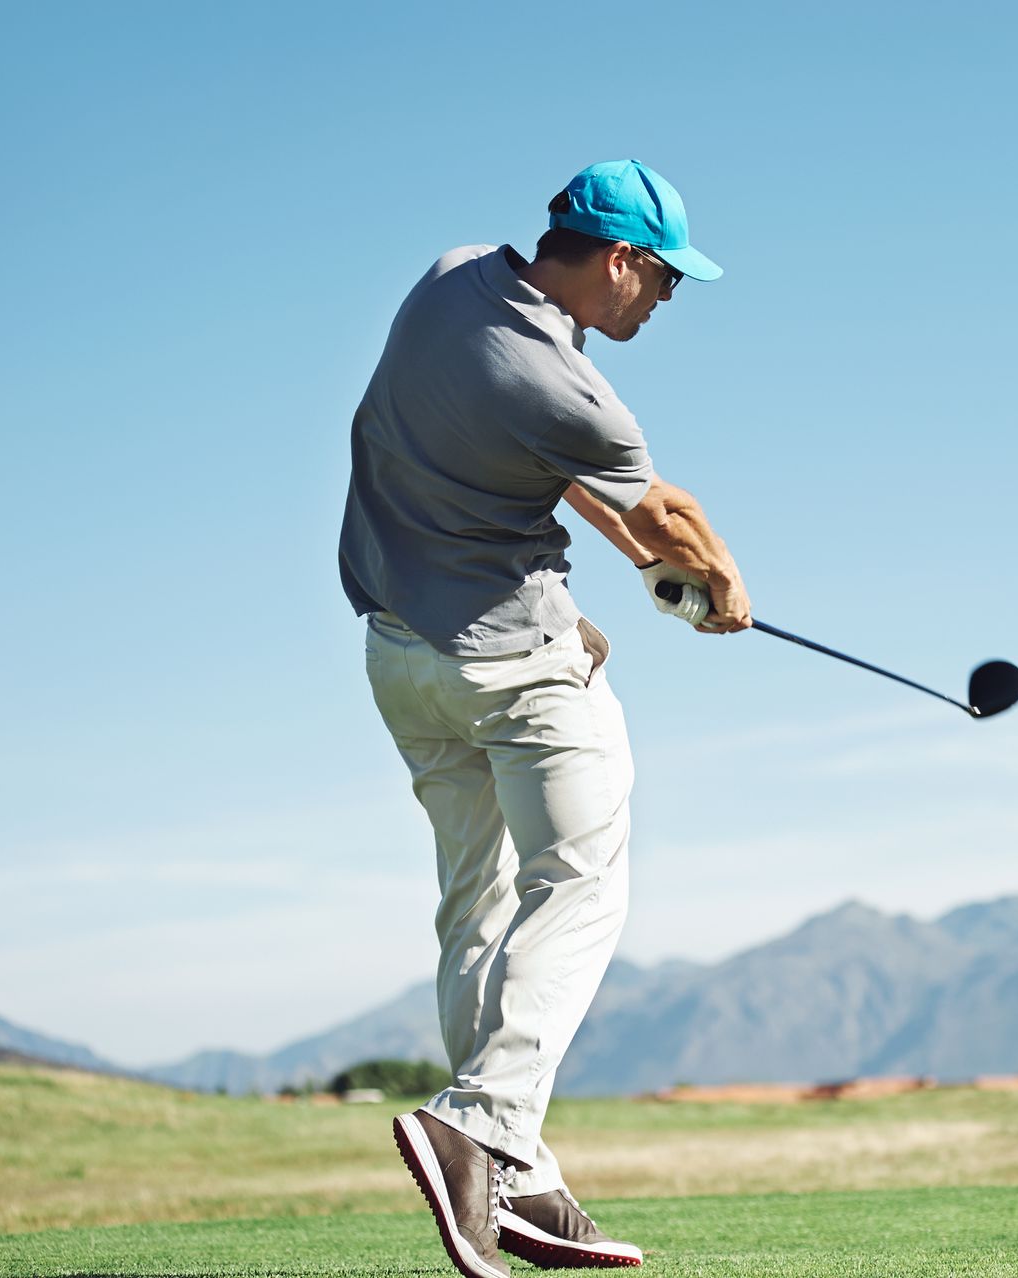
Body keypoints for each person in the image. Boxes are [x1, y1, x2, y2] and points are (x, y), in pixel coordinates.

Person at [338, 159, 749, 1275]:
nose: (662, 304)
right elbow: (666, 518)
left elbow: (562, 476)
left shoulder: (449, 277)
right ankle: (482, 1128)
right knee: (581, 882)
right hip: (511, 668)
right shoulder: (581, 397)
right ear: (620, 261)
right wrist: (722, 591)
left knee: (474, 901)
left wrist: (610, 583)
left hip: (398, 658)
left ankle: (516, 1177)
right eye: (663, 282)